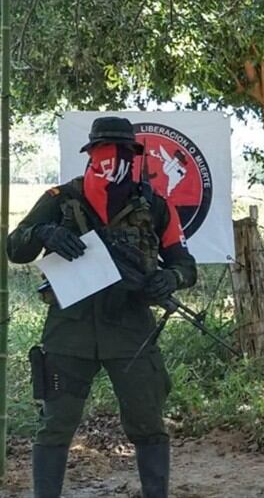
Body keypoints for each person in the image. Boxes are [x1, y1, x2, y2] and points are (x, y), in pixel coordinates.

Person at [8, 116, 197, 498]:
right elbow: (15, 247)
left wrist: (170, 279)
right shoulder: (60, 200)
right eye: (102, 153)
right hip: (70, 328)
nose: (110, 162)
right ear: (90, 154)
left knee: (147, 423)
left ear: (134, 157)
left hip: (131, 330)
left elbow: (185, 265)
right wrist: (47, 232)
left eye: (120, 154)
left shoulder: (156, 207)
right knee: (56, 424)